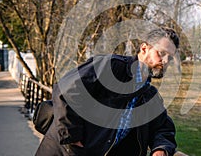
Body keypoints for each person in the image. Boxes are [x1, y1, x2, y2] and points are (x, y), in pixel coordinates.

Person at [35, 27, 187, 156]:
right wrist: (71, 137)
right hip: (66, 150)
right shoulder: (111, 66)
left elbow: (163, 128)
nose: (165, 61)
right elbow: (67, 89)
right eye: (161, 53)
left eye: (170, 58)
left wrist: (161, 149)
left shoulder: (149, 95)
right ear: (144, 48)